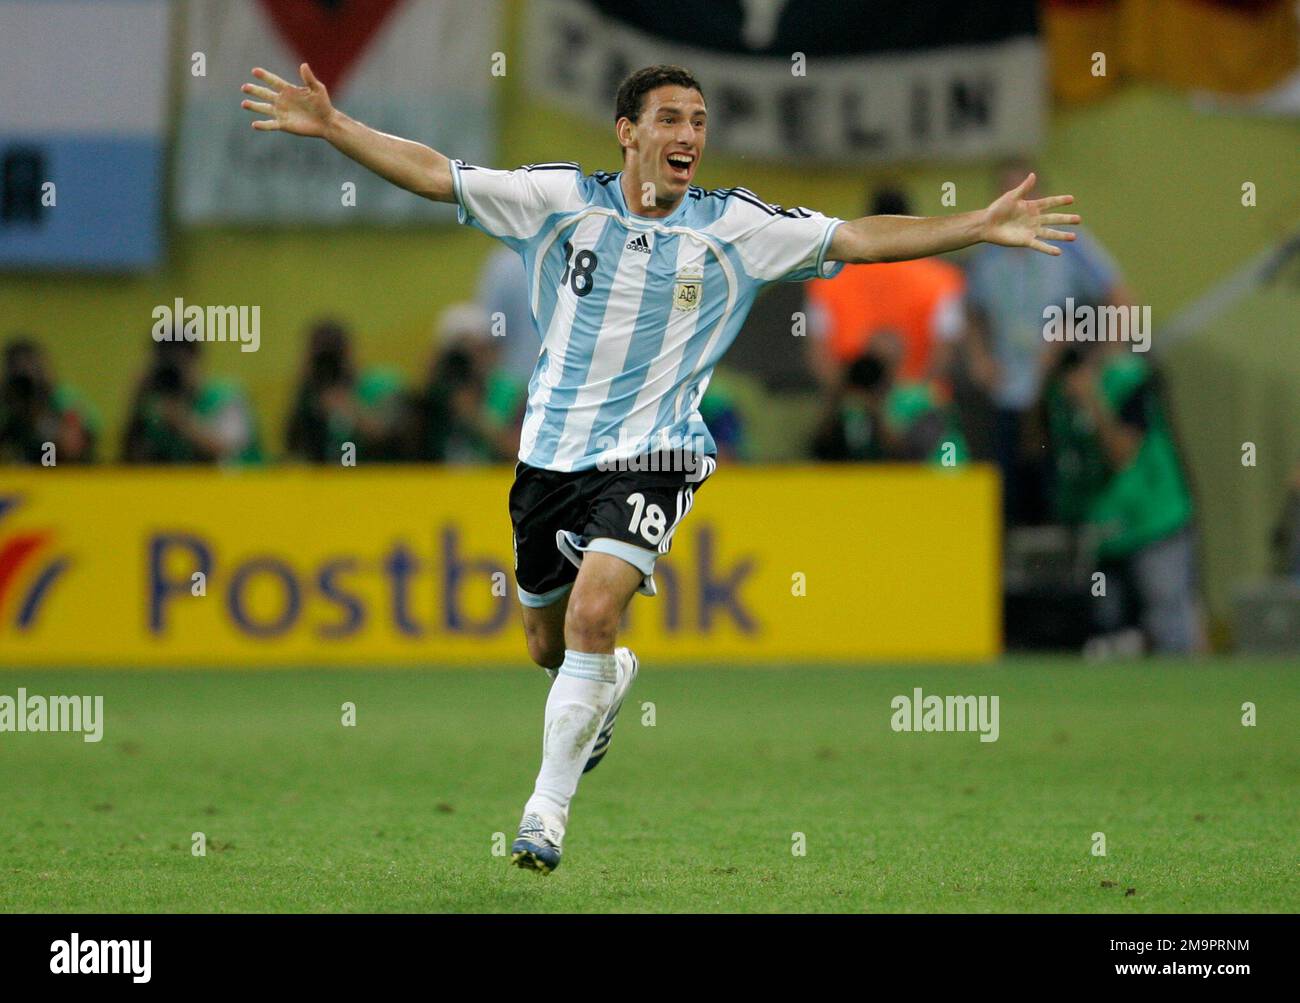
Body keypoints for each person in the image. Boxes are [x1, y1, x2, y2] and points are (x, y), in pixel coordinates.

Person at [241, 60, 1080, 873]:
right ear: (628, 132)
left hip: (657, 454)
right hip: (548, 459)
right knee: (546, 643)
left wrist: (977, 225)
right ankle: (606, 678)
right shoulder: (557, 202)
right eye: (671, 119)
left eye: (700, 122)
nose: (689, 135)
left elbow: (857, 237)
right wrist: (335, 126)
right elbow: (438, 175)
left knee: (592, 612)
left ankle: (544, 812)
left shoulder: (735, 228)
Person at [964, 161, 1132, 526]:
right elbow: (972, 311)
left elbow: (1120, 298)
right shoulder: (987, 252)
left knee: (1062, 490)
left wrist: (1099, 362)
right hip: (1009, 390)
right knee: (1010, 495)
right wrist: (980, 358)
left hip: (1058, 393)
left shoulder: (1069, 242)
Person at [1044, 341, 1202, 654]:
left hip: (1153, 522)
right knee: (1108, 638)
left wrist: (1091, 400)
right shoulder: (1057, 391)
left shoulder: (1129, 379)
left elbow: (1121, 453)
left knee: (1168, 626)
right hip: (1103, 528)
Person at [806, 187, 966, 392]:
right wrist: (914, 395)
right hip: (921, 401)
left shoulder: (828, 278)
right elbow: (945, 347)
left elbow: (819, 351)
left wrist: (847, 397)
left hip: (854, 398)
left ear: (867, 223)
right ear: (914, 225)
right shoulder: (942, 278)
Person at [810, 331, 968, 465]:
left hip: (931, 482)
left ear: (899, 360)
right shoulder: (853, 402)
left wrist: (875, 411)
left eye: (886, 360)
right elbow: (822, 451)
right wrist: (836, 396)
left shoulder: (924, 400)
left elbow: (909, 456)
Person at [411, 303, 523, 463]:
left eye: (477, 350)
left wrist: (475, 417)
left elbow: (521, 451)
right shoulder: (435, 394)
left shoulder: (511, 393)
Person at [122, 339, 261, 465]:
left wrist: (180, 420)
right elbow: (131, 458)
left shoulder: (226, 397)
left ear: (196, 360)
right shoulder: (154, 404)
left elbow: (229, 448)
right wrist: (137, 397)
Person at [285, 320, 405, 463]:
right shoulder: (309, 396)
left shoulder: (380, 385)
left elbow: (390, 437)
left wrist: (350, 408)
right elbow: (293, 448)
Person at [0, 337, 99, 464]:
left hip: (62, 467)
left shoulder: (62, 398)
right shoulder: (6, 405)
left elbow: (73, 447)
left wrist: (42, 420)